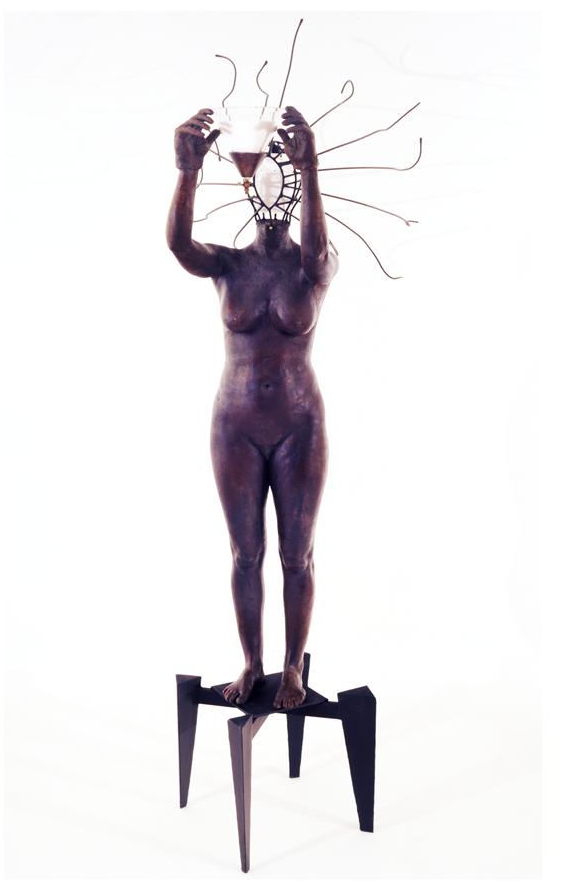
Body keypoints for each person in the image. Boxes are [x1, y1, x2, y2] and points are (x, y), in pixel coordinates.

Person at [166, 106, 338, 709]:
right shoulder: (228, 265)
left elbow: (316, 252)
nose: (270, 196)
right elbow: (179, 245)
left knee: (296, 554)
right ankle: (252, 662)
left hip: (298, 425)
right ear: (247, 191)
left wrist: (310, 169)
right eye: (261, 183)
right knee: (244, 554)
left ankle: (291, 668)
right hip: (234, 423)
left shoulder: (313, 267)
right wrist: (187, 172)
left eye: (283, 183)